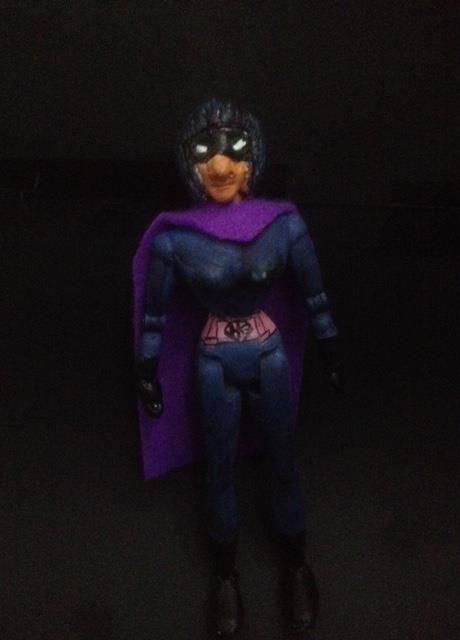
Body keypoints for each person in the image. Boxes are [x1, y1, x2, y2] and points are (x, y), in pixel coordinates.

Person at [133, 98, 340, 637]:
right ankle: (225, 575)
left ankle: (296, 562)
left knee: (283, 461)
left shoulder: (283, 226)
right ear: (189, 163)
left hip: (268, 354)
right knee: (219, 468)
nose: (221, 164)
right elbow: (154, 317)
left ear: (254, 159)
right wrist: (146, 370)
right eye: (206, 151)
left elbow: (314, 296)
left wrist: (330, 346)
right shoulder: (175, 241)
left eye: (235, 149)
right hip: (214, 361)